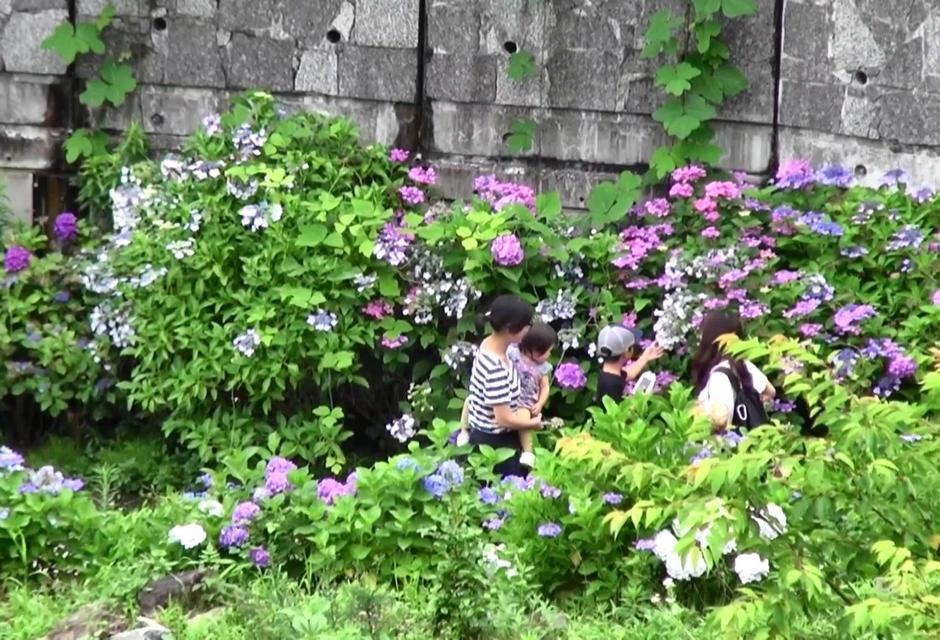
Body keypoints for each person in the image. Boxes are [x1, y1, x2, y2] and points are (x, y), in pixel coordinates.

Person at [463, 295, 543, 477]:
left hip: (489, 437)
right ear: (509, 328)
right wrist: (533, 423)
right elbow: (503, 419)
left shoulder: (489, 344)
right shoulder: (495, 368)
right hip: (495, 444)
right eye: (525, 325)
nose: (528, 329)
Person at [691, 310, 775, 432]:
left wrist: (700, 411)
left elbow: (721, 420)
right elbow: (770, 391)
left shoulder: (719, 376)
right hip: (754, 441)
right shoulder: (743, 364)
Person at [594, 325, 664, 405]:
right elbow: (622, 413)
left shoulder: (608, 372)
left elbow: (629, 374)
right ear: (627, 352)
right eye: (632, 346)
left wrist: (646, 356)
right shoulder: (612, 384)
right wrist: (646, 396)